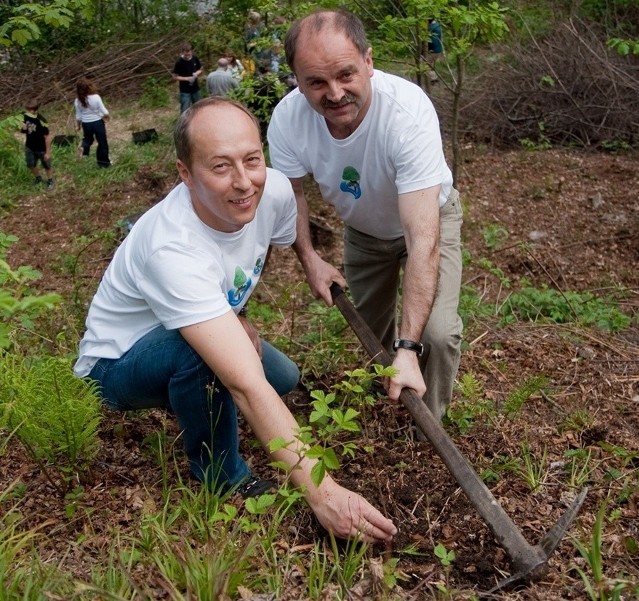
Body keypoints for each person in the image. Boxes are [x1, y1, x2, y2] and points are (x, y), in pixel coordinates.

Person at [74, 97, 397, 544]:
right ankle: (222, 476)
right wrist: (324, 494)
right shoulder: (171, 247)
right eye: (220, 167)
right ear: (185, 173)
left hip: (182, 326)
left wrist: (309, 260)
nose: (244, 182)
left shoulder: (274, 191)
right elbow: (245, 383)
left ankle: (195, 388)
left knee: (284, 378)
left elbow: (283, 232)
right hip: (114, 366)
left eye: (252, 159)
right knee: (219, 366)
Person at [267, 9, 463, 423]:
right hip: (362, 230)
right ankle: (387, 393)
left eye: (346, 74)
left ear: (369, 62)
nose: (335, 93)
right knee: (370, 330)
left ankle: (428, 424)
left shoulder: (405, 115)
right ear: (297, 81)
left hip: (427, 223)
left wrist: (408, 347)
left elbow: (422, 238)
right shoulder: (287, 120)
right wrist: (310, 259)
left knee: (437, 334)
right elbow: (292, 195)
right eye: (316, 82)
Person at [74, 77, 111, 168]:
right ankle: (103, 163)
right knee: (102, 143)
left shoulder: (77, 101)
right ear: (89, 87)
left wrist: (78, 126)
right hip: (97, 123)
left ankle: (83, 146)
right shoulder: (96, 97)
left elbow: (78, 116)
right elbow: (105, 112)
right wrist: (108, 117)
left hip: (86, 124)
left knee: (88, 139)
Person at [21, 99, 54, 189]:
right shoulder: (25, 116)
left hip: (41, 148)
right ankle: (38, 178)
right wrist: (23, 127)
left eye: (29, 110)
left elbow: (47, 137)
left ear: (35, 110)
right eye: (27, 110)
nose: (27, 112)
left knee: (47, 165)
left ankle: (50, 180)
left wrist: (47, 152)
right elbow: (23, 130)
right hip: (30, 146)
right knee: (31, 164)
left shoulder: (42, 121)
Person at [172, 43, 203, 113]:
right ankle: (184, 123)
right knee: (185, 110)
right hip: (185, 90)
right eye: (186, 54)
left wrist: (196, 74)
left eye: (189, 54)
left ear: (191, 51)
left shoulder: (195, 58)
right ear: (182, 52)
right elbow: (174, 76)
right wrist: (187, 78)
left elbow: (200, 69)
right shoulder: (179, 62)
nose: (188, 56)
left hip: (195, 89)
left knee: (199, 108)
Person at [427, 18, 444, 83]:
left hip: (433, 50)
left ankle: (433, 78)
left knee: (425, 65)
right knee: (431, 64)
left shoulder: (432, 29)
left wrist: (427, 49)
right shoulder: (438, 25)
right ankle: (434, 77)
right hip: (438, 49)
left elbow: (432, 42)